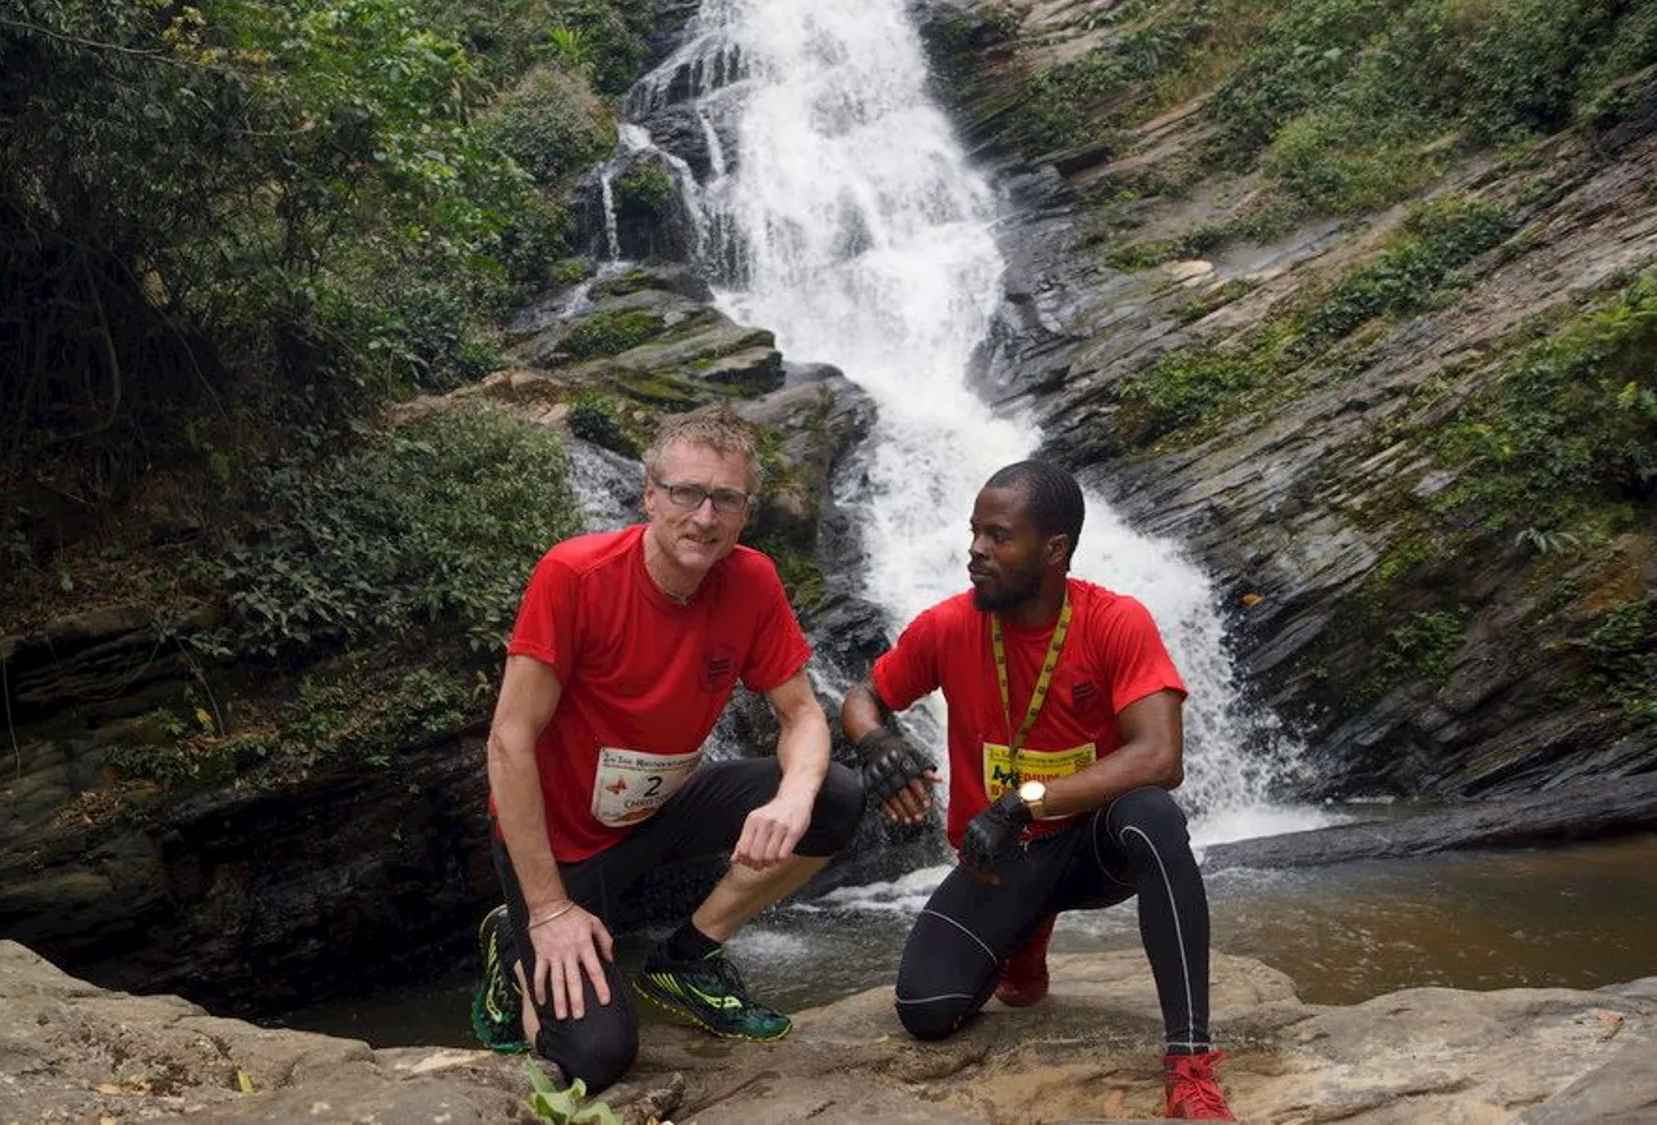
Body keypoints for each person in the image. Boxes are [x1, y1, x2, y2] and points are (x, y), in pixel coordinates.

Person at [474, 406, 863, 1094]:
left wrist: (793, 797)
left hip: (659, 811)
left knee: (834, 796)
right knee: (595, 1055)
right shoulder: (575, 575)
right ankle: (516, 946)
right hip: (557, 845)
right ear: (649, 494)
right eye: (686, 492)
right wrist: (548, 910)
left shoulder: (753, 580)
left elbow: (802, 713)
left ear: (745, 513)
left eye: (726, 499)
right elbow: (509, 740)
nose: (704, 516)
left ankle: (687, 956)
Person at [840, 459, 1235, 1120]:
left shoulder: (1115, 621)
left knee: (1153, 816)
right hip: (1001, 856)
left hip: (1091, 843)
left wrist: (1026, 800)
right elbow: (863, 696)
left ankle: (1190, 1062)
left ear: (1055, 549)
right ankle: (1024, 943)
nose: (976, 550)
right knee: (925, 1010)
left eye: (998, 536)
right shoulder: (949, 624)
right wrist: (875, 741)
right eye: (974, 532)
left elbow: (1162, 755)